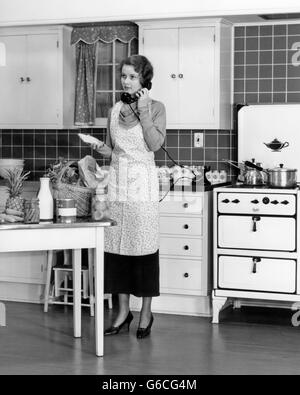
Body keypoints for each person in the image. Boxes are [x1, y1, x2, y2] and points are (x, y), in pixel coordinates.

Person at [91, 54, 166, 339]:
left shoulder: (157, 108)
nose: (126, 80)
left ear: (144, 81)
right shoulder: (114, 109)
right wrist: (100, 148)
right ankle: (123, 313)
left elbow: (155, 144)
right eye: (124, 75)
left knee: (144, 249)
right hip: (117, 184)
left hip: (143, 185)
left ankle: (146, 313)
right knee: (116, 251)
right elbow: (113, 149)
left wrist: (143, 108)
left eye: (132, 76)